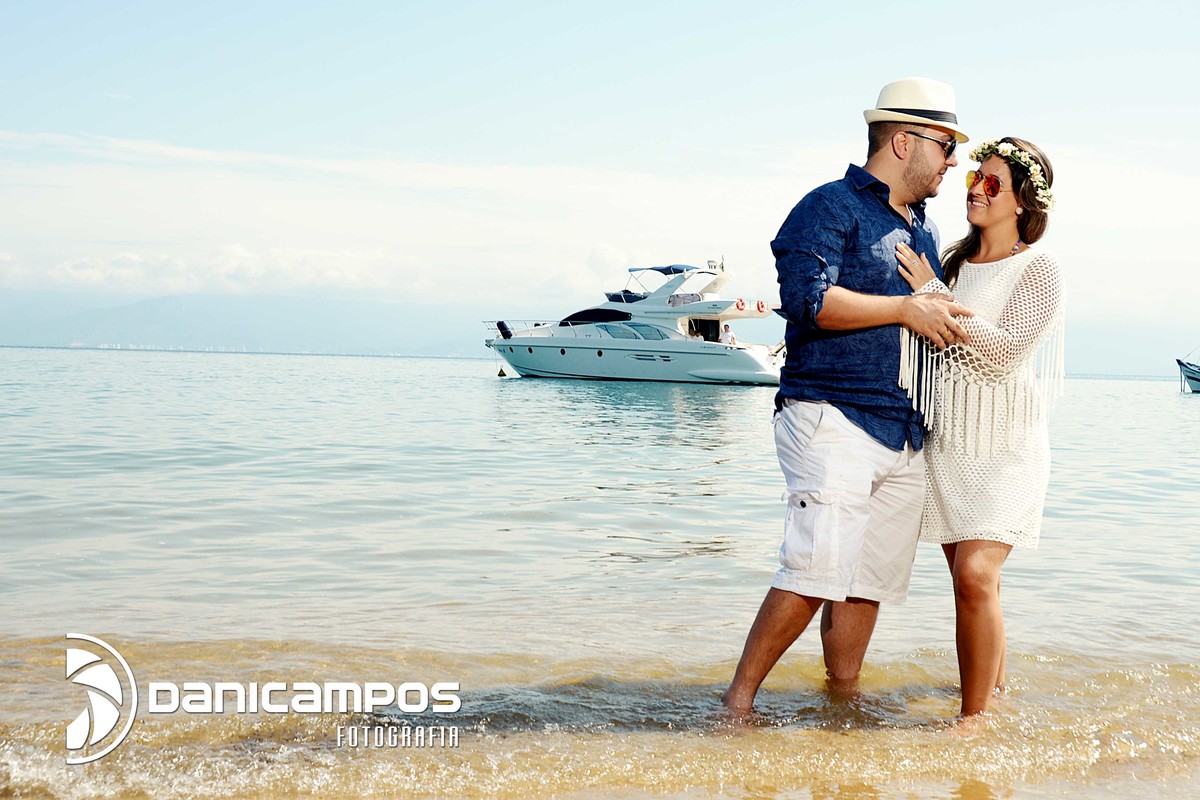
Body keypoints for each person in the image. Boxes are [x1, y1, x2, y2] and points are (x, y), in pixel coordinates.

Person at [722, 77, 974, 714]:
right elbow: (807, 302)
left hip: (903, 430)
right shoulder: (827, 206)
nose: (953, 161)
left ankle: (844, 704)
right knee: (815, 569)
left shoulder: (923, 226)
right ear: (901, 141)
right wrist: (905, 309)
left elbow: (927, 318)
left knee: (867, 585)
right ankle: (737, 706)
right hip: (830, 414)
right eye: (945, 145)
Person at [894, 137, 1063, 720]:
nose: (977, 189)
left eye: (993, 181)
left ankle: (973, 722)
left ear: (1021, 201)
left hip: (1007, 446)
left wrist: (933, 296)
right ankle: (995, 697)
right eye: (974, 178)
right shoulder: (952, 264)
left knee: (975, 574)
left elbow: (1006, 351)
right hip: (950, 442)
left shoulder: (1038, 268)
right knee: (974, 589)